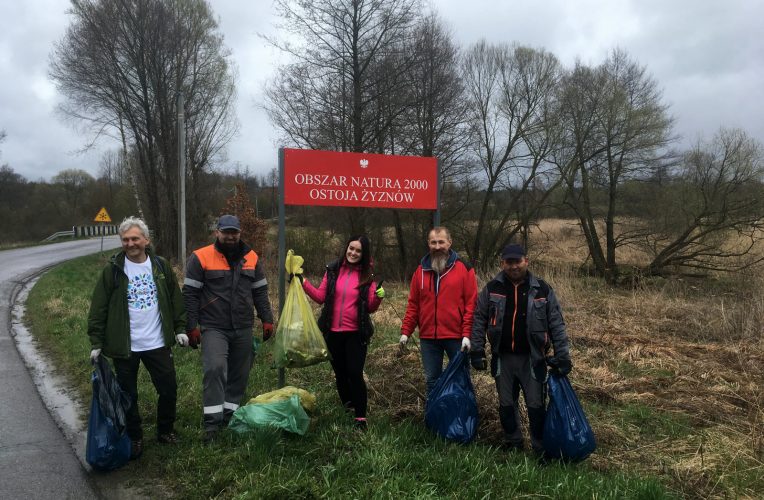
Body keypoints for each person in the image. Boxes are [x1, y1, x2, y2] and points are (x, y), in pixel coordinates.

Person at [87, 216, 187, 460]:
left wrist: (181, 328)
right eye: (125, 239)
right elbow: (98, 308)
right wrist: (96, 343)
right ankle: (135, 436)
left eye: (135, 238)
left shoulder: (160, 266)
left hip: (157, 342)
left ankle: (165, 430)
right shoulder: (113, 270)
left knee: (168, 388)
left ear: (146, 240)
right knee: (128, 394)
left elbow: (176, 300)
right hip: (125, 345)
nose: (130, 243)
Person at [470, 244, 572, 454]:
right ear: (502, 264)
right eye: (509, 262)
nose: (513, 266)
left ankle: (540, 447)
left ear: (526, 261)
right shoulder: (491, 289)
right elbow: (479, 319)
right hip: (503, 357)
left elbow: (557, 324)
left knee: (536, 406)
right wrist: (477, 350)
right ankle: (513, 443)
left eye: (517, 261)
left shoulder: (543, 290)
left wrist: (563, 356)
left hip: (533, 359)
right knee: (506, 404)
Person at [183, 215, 274, 441]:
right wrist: (191, 325)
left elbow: (260, 291)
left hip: (243, 325)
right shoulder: (200, 257)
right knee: (215, 368)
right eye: (226, 232)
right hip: (214, 326)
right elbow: (190, 294)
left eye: (234, 232)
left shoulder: (251, 257)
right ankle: (211, 425)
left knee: (239, 374)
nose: (230, 236)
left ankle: (229, 414)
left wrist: (267, 318)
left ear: (240, 233)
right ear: (217, 233)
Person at [299, 235, 384, 429]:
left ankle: (360, 418)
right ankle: (348, 407)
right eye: (351, 248)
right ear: (346, 249)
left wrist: (379, 297)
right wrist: (302, 282)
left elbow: (370, 307)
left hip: (356, 333)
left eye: (358, 250)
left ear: (364, 254)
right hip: (333, 332)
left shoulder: (367, 275)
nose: (353, 253)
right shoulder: (333, 270)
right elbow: (321, 297)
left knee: (354, 373)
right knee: (340, 373)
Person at [399, 226, 478, 396]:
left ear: (449, 242)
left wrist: (466, 334)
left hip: (456, 337)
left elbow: (471, 304)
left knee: (460, 379)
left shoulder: (464, 268)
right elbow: (413, 304)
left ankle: (461, 419)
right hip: (429, 338)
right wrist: (406, 332)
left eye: (441, 242)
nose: (437, 246)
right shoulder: (420, 271)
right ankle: (434, 419)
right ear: (428, 244)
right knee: (432, 381)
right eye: (433, 242)